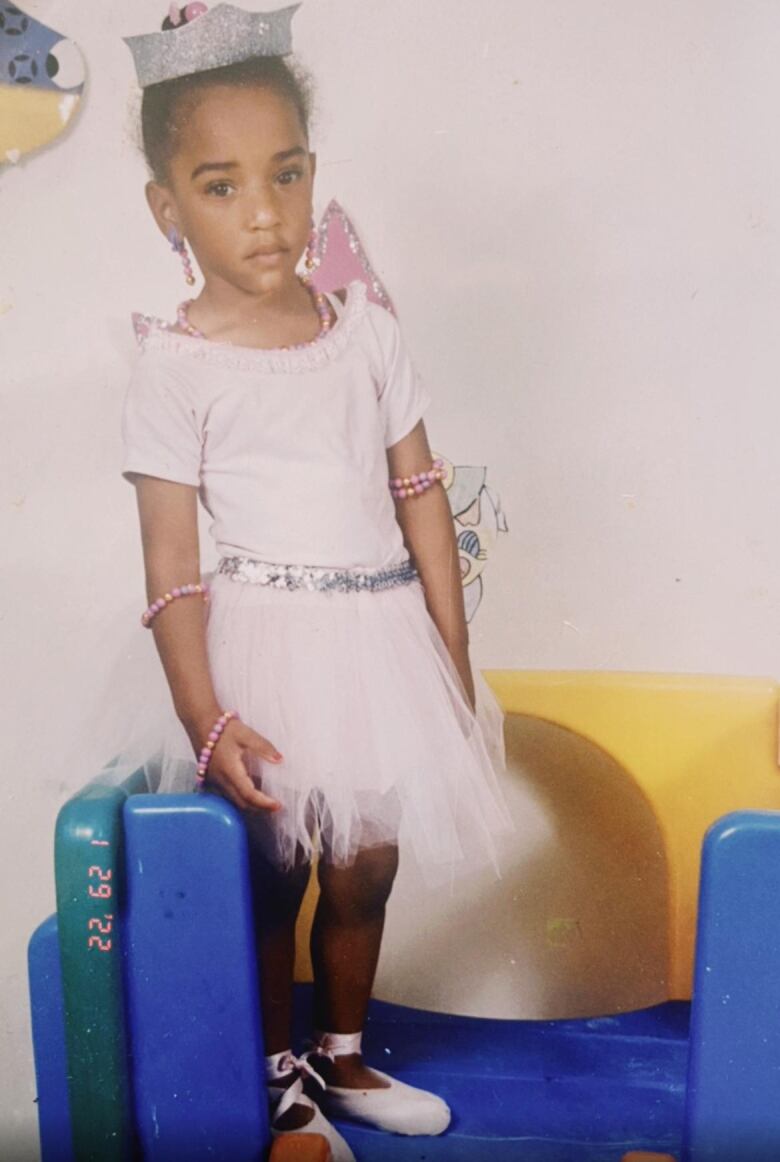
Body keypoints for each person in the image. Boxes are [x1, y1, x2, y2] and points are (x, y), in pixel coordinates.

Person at [120, 5, 512, 1158]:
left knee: (368, 862)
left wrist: (450, 655)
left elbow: (422, 495)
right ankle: (273, 1073)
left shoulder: (366, 335)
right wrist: (205, 710)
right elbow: (170, 563)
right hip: (261, 649)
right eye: (223, 185)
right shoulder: (174, 360)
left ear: (312, 176)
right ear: (168, 207)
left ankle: (343, 1053)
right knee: (272, 869)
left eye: (285, 176)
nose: (266, 214)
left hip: (375, 631)